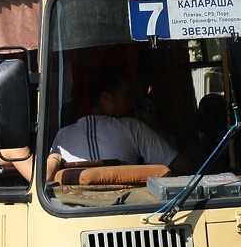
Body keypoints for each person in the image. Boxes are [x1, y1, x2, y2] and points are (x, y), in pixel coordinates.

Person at [46, 70, 192, 181]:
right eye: (127, 96)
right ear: (106, 98)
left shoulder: (63, 134)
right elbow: (180, 165)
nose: (132, 103)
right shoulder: (133, 128)